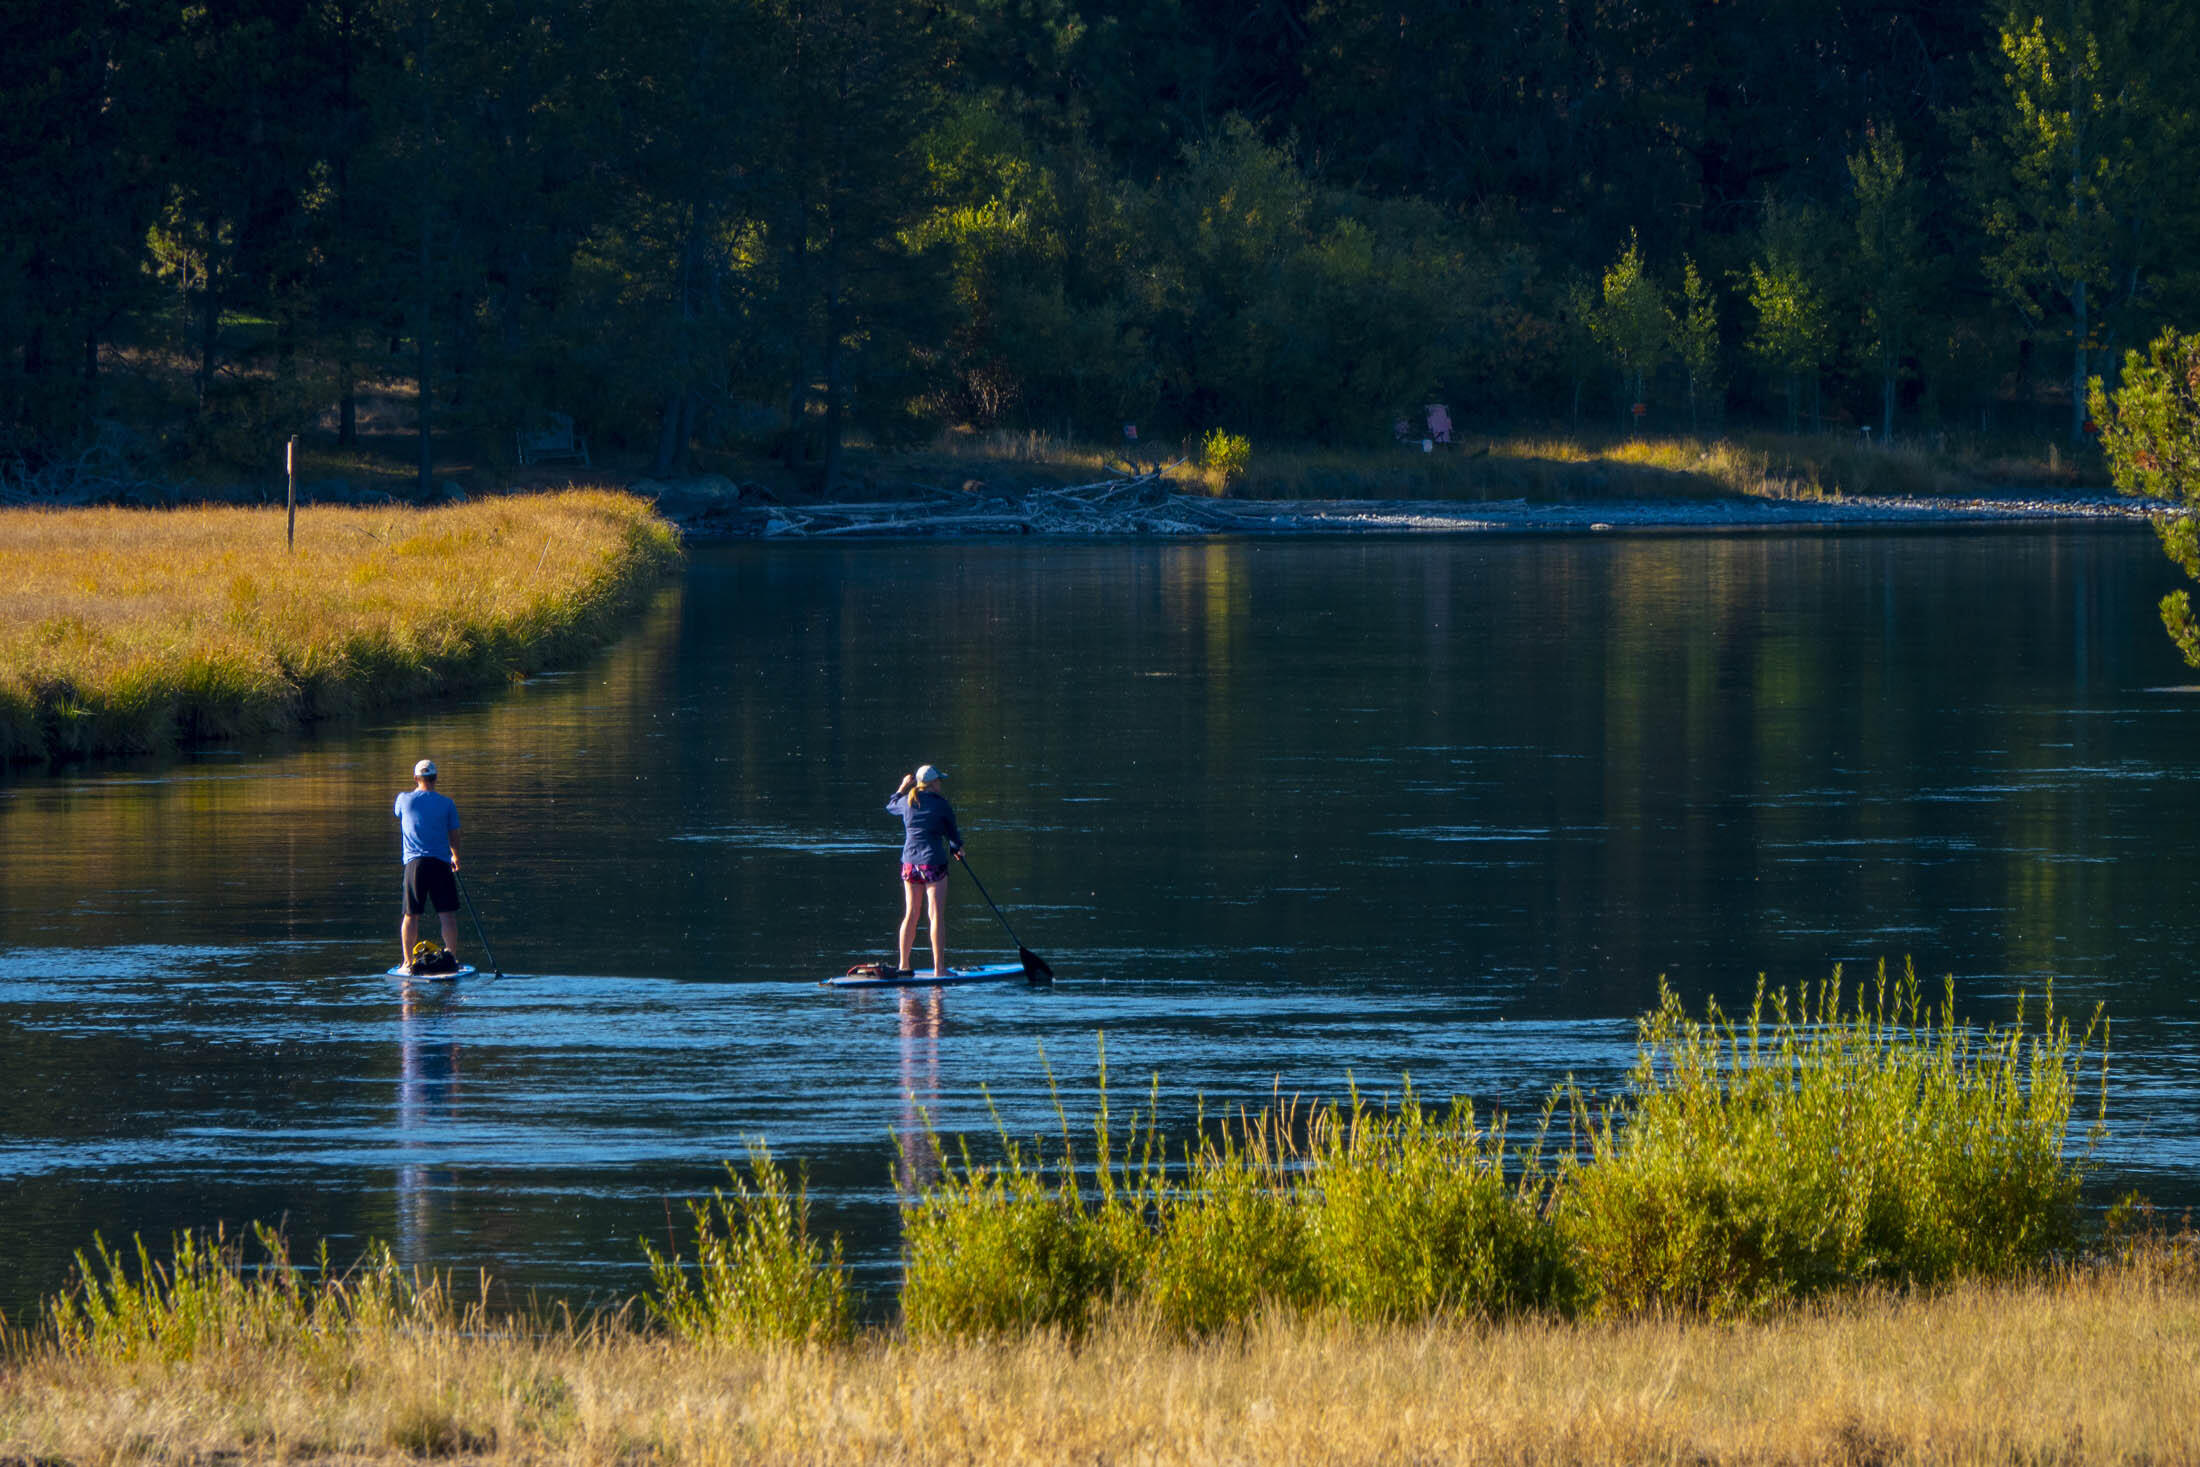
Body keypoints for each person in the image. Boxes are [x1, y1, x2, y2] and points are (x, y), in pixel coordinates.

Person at [887, 764, 962, 977]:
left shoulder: (907, 801)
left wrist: (902, 786)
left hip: (910, 864)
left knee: (911, 913)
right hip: (933, 863)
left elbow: (890, 805)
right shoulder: (941, 805)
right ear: (933, 783)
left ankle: (904, 965)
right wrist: (958, 848)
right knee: (935, 915)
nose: (941, 784)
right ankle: (939, 969)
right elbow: (953, 834)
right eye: (939, 780)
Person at [395, 759, 463, 973]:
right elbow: (454, 835)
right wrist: (456, 857)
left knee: (411, 915)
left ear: (416, 778)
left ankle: (408, 962)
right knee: (447, 915)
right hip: (441, 863)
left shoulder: (403, 800)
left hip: (415, 865)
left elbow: (400, 815)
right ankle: (451, 957)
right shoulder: (447, 803)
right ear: (436, 779)